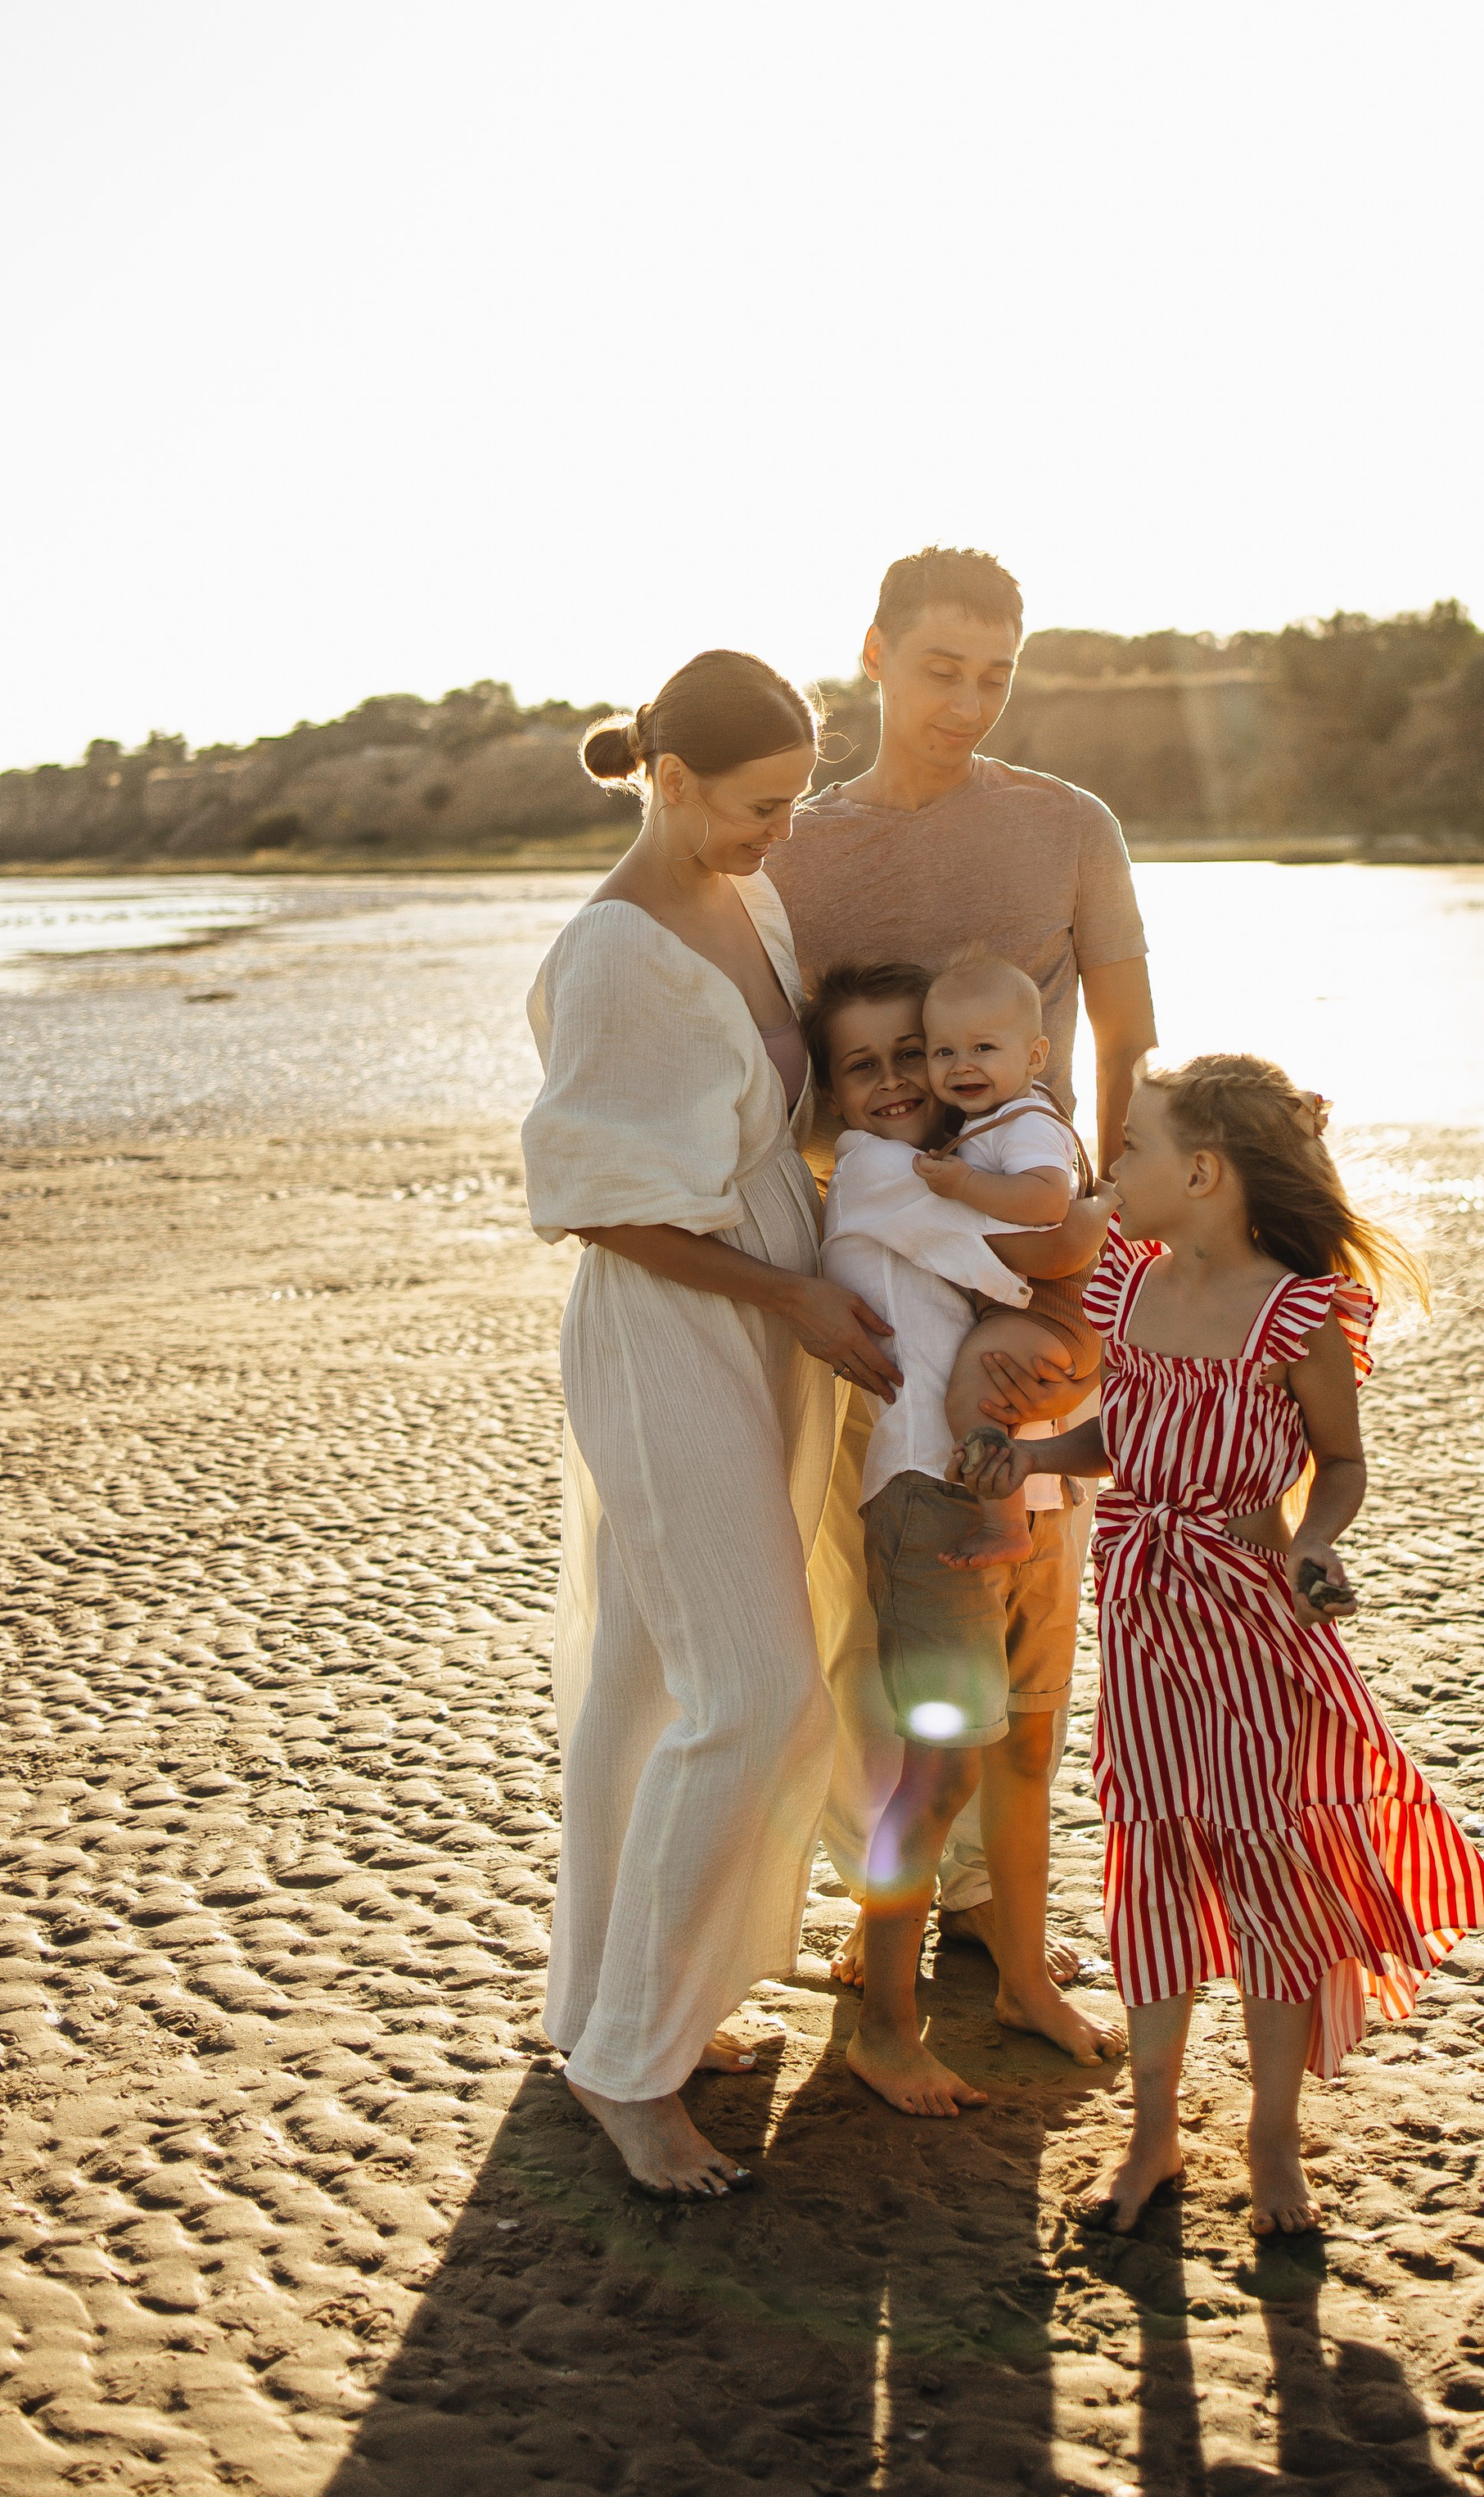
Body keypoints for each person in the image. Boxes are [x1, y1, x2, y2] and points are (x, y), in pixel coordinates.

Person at [959, 1054, 1484, 2235]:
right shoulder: (1127, 1284)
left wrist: (1315, 1542)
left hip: (1255, 1621)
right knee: (1151, 1857)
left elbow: (1342, 1462)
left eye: (1137, 1151)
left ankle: (1269, 2139)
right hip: (1146, 1609)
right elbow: (1127, 1432)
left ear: (1202, 1174)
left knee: (1266, 1866)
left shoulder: (1297, 1312)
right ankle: (1154, 2133)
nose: (1116, 1173)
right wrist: (1040, 1458)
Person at [521, 648, 899, 2199]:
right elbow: (596, 1207)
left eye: (797, 801)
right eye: (757, 804)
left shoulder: (749, 902)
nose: (779, 832)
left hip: (765, 1311)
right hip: (681, 1326)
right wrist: (794, 1299)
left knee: (645, 1680)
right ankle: (627, 2069)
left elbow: (774, 1114)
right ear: (668, 783)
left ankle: (607, 2006)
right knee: (756, 1695)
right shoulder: (614, 952)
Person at [769, 545, 1155, 1971]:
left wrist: (1101, 1239)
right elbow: (768, 1070)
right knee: (880, 1594)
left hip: (1037, 1258)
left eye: (998, 675)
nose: (971, 702)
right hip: (874, 1256)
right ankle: (893, 1922)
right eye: (943, 670)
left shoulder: (1067, 824)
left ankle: (997, 1916)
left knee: (1027, 1586)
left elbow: (1126, 1030)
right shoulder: (799, 850)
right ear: (873, 655)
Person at [804, 961, 1120, 2110]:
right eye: (865, 1064)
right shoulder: (885, 1171)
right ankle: (886, 2030)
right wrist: (1092, 1213)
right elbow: (1051, 1258)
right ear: (830, 1091)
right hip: (930, 1497)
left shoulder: (975, 1153)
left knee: (1026, 1749)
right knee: (936, 1771)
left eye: (911, 1055)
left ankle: (1023, 1980)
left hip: (1027, 1486)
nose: (896, 1082)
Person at [913, 949, 1102, 1573]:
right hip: (1046, 1305)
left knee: (972, 1392)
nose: (963, 1066)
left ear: (1036, 1058)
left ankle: (1005, 1523)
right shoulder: (999, 1117)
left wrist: (965, 1186)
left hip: (1053, 1305)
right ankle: (1003, 1492)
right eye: (944, 1053)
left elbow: (1048, 1199)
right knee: (988, 1393)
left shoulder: (1024, 1125)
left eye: (984, 1049)